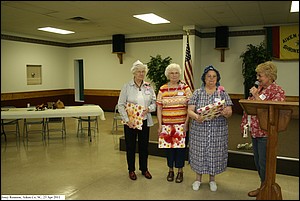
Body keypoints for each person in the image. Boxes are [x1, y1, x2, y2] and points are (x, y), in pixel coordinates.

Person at [240, 61, 285, 197]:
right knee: (258, 163)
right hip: (255, 131)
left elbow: (272, 110)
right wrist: (244, 125)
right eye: (257, 75)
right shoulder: (258, 89)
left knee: (265, 164)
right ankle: (263, 187)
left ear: (270, 76)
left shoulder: (277, 91)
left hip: (266, 133)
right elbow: (249, 107)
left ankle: (267, 189)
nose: (258, 78)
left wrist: (256, 97)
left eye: (260, 75)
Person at [187, 65, 233, 192]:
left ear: (217, 78)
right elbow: (189, 110)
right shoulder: (197, 92)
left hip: (217, 130)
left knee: (214, 153)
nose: (211, 79)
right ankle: (198, 179)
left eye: (214, 76)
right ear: (204, 78)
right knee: (199, 153)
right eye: (209, 76)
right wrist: (196, 116)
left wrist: (225, 112)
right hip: (199, 129)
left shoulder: (222, 93)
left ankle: (212, 180)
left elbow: (229, 111)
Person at [117, 60, 156, 180]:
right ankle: (131, 170)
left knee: (144, 147)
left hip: (144, 120)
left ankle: (144, 169)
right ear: (134, 73)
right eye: (139, 71)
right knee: (131, 146)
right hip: (131, 122)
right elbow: (120, 105)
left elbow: (155, 103)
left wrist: (148, 109)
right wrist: (127, 119)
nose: (141, 74)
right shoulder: (127, 86)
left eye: (143, 71)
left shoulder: (148, 86)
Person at [156, 63, 192, 183]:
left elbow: (190, 107)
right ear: (168, 74)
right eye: (172, 73)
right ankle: (170, 170)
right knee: (169, 150)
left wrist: (187, 123)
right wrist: (160, 124)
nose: (174, 75)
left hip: (181, 125)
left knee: (181, 150)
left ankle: (180, 171)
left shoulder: (185, 88)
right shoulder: (163, 88)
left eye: (176, 72)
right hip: (167, 126)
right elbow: (159, 108)